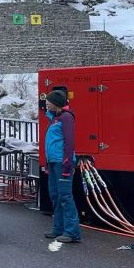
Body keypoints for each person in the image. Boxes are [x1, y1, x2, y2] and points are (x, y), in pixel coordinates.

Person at [43, 89, 82, 243]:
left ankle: (72, 232)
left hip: (62, 162)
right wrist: (47, 163)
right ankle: (58, 228)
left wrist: (67, 164)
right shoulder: (54, 118)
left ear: (56, 104)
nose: (46, 104)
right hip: (53, 162)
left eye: (48, 102)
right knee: (55, 195)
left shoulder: (66, 118)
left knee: (65, 196)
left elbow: (69, 142)